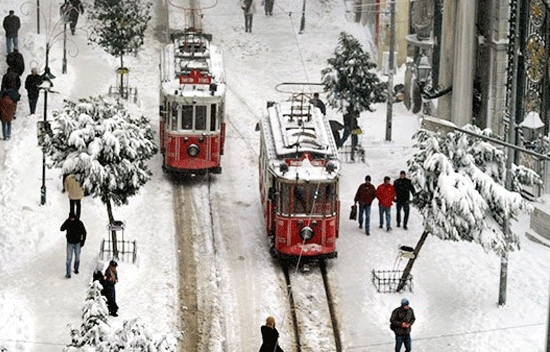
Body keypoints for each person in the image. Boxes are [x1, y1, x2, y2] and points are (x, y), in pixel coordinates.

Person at [60, 212, 87, 278]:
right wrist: (66, 223)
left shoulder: (79, 223)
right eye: (70, 218)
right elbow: (61, 229)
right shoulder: (67, 222)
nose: (72, 219)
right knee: (69, 258)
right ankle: (68, 273)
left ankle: (76, 268)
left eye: (73, 217)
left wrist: (83, 241)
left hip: (77, 243)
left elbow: (84, 232)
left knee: (77, 257)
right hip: (70, 243)